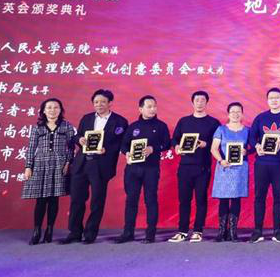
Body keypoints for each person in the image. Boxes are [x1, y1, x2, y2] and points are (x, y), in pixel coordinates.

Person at [64, 89, 128, 244]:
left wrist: (107, 150)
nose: (99, 105)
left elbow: (122, 144)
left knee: (97, 201)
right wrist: (79, 139)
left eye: (103, 102)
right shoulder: (86, 118)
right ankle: (74, 232)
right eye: (96, 102)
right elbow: (77, 136)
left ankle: (90, 234)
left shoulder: (120, 121)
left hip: (101, 165)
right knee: (76, 199)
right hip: (82, 163)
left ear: (110, 103)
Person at [115, 95, 171, 244]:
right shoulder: (133, 126)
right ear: (140, 109)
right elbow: (124, 145)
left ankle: (150, 233)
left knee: (150, 199)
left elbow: (167, 144)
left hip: (151, 169)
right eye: (149, 106)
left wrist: (153, 148)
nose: (153, 109)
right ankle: (128, 232)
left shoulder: (161, 126)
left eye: (154, 106)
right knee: (131, 200)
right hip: (133, 168)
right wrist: (127, 152)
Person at [168, 91, 221, 243]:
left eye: (202, 100)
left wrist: (206, 144)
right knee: (184, 200)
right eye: (197, 100)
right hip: (185, 166)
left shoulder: (213, 123)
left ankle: (198, 230)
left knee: (201, 199)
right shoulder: (184, 121)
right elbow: (174, 139)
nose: (199, 103)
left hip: (202, 167)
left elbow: (219, 143)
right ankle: (182, 231)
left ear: (207, 102)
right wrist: (177, 147)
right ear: (192, 102)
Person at [22, 98, 76, 245]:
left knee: (54, 199)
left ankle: (50, 229)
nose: (52, 110)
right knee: (41, 200)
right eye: (49, 107)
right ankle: (37, 231)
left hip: (59, 164)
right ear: (44, 111)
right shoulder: (37, 128)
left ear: (61, 110)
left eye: (56, 107)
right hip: (40, 164)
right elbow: (31, 148)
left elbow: (71, 147)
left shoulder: (67, 126)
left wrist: (68, 162)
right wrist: (28, 167)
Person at [248, 87, 280, 243]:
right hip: (262, 163)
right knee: (259, 196)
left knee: (279, 196)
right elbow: (251, 137)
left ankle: (277, 231)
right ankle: (257, 231)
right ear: (267, 100)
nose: (274, 100)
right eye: (271, 98)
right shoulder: (260, 118)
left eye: (277, 97)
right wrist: (256, 146)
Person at [209, 102, 250, 242]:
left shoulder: (247, 130)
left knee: (236, 199)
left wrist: (247, 151)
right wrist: (221, 160)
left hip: (240, 168)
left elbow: (252, 147)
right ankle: (222, 231)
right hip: (224, 167)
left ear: (242, 114)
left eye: (238, 111)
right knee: (224, 199)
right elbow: (214, 148)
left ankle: (233, 231)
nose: (235, 114)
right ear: (228, 114)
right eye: (233, 111)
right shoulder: (221, 129)